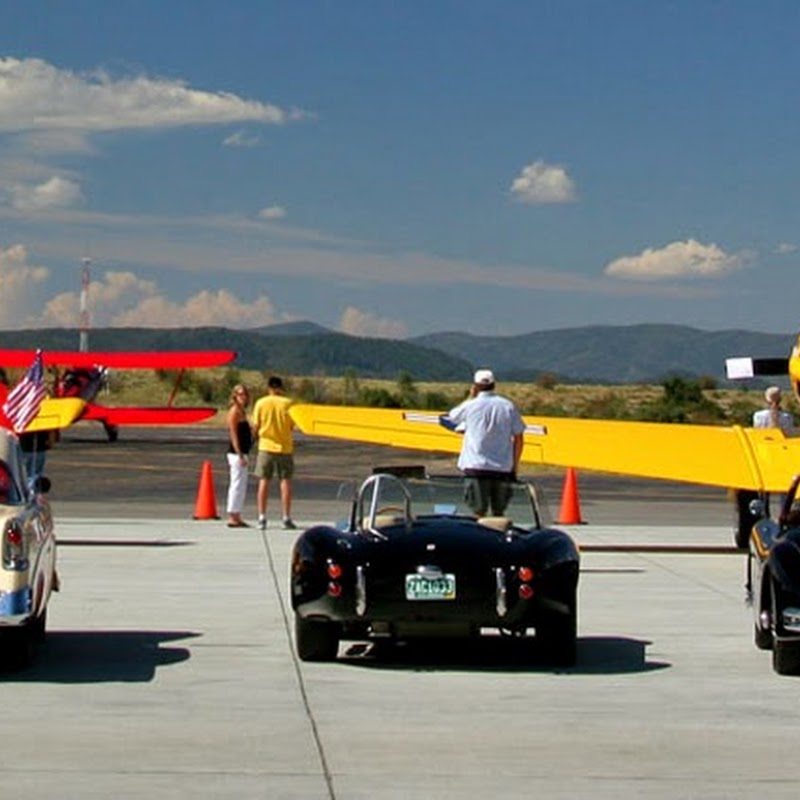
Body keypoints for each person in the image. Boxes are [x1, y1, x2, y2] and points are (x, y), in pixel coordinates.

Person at [442, 368, 525, 517]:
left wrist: (470, 397)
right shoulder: (507, 406)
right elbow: (519, 437)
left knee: (478, 512)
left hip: (476, 466)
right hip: (502, 467)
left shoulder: (470, 405)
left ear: (475, 386)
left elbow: (451, 417)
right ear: (494, 384)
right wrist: (514, 465)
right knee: (499, 512)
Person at [251, 375, 297, 531]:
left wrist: (255, 438)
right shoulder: (289, 403)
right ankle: (286, 516)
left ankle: (262, 517)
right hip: (285, 447)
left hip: (266, 446)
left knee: (264, 481)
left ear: (268, 388)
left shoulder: (261, 403)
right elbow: (291, 425)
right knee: (285, 482)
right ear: (281, 388)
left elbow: (256, 426)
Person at [225, 384, 253, 528]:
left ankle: (237, 514)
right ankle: (232, 515)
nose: (244, 397)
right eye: (240, 394)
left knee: (241, 485)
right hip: (237, 454)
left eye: (245, 394)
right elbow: (234, 435)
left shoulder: (242, 411)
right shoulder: (234, 412)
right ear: (235, 396)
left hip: (244, 451)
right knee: (236, 484)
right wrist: (239, 453)